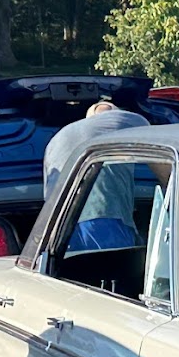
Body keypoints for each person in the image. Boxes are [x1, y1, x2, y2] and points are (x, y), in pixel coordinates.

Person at [42, 100, 152, 250]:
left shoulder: (56, 140)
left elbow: (47, 192)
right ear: (115, 111)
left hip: (58, 223)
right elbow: (162, 156)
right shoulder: (129, 120)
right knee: (112, 268)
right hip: (102, 214)